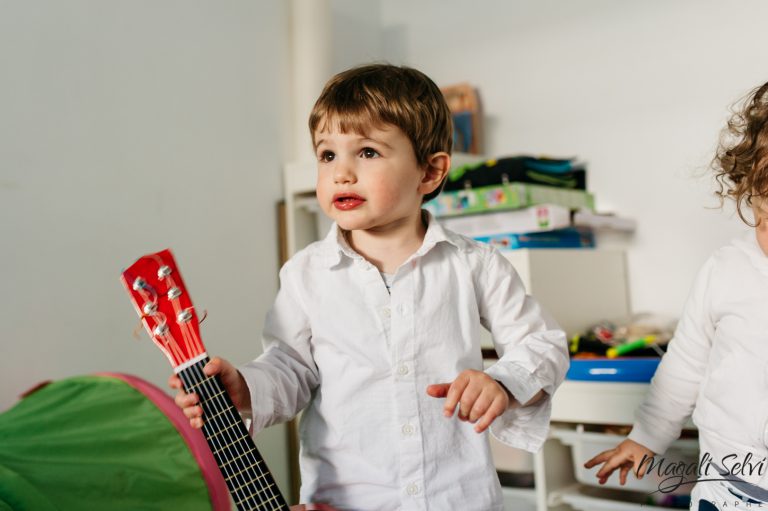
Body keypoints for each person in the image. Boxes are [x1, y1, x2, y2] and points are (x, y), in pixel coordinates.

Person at [170, 63, 569, 511]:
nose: (341, 173)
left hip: (458, 498)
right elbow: (290, 369)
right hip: (346, 501)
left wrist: (503, 383)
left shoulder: (475, 264)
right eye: (327, 155)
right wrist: (246, 387)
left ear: (430, 172)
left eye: (367, 153)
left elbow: (543, 345)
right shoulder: (305, 273)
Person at [584, 81, 768, 510]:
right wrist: (644, 438)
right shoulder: (726, 270)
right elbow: (684, 366)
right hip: (728, 487)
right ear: (749, 188)